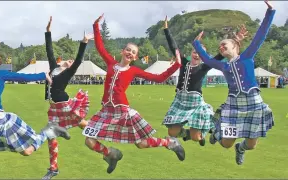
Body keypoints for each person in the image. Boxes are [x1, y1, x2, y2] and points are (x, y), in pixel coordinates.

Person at [84, 14, 184, 174]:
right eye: (128, 50)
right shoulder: (111, 63)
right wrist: (96, 26)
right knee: (89, 140)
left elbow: (159, 78)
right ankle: (111, 154)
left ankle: (170, 143)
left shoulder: (134, 70)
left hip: (123, 112)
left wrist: (176, 65)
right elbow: (100, 47)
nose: (130, 53)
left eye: (133, 52)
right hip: (106, 111)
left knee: (141, 144)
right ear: (122, 51)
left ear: (135, 57)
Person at [0, 29, 70, 158]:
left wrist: (43, 75)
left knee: (27, 152)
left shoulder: (0, 74)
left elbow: (21, 77)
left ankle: (49, 131)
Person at [192, 0, 275, 165]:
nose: (221, 47)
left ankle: (241, 148)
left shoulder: (247, 56)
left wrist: (270, 11)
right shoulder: (222, 65)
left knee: (251, 145)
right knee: (226, 144)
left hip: (254, 103)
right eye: (219, 47)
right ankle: (217, 130)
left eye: (224, 44)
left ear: (235, 46)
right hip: (234, 104)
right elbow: (206, 59)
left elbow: (261, 34)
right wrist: (196, 44)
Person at [162, 16, 247, 146]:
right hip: (180, 100)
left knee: (197, 137)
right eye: (195, 52)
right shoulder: (183, 63)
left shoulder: (204, 66)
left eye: (200, 53)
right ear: (191, 52)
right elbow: (174, 47)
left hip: (195, 102)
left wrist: (235, 40)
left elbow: (220, 54)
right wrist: (166, 30)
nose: (197, 55)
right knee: (172, 132)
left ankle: (208, 127)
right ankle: (189, 135)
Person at [42, 16, 91, 179]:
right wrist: (48, 32)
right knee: (52, 136)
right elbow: (49, 50)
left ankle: (100, 131)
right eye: (68, 60)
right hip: (54, 107)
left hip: (65, 104)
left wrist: (84, 42)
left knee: (81, 123)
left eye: (71, 61)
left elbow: (78, 59)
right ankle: (53, 168)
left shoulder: (69, 72)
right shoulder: (54, 68)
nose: (70, 61)